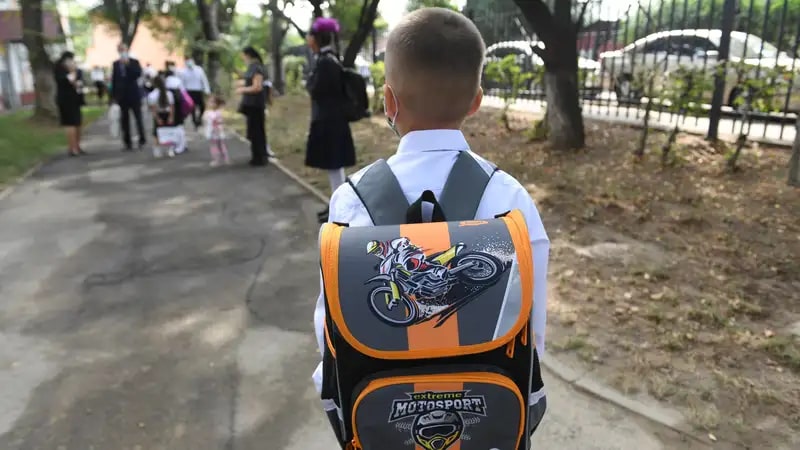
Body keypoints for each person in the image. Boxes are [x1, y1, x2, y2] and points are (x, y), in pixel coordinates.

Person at [312, 7, 549, 445]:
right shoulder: (511, 197)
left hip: (383, 421)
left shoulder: (352, 198)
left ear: (389, 102)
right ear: (476, 102)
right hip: (489, 420)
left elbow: (327, 331)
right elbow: (533, 328)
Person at [304, 17, 355, 223]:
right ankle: (336, 205)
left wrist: (309, 82)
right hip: (330, 120)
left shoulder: (326, 62)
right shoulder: (327, 60)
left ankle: (340, 210)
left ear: (317, 38)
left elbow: (316, 89)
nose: (308, 40)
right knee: (334, 166)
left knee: (334, 165)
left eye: (310, 36)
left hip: (330, 121)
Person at [236, 46, 268, 167]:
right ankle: (256, 156)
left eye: (243, 56)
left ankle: (260, 157)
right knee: (253, 131)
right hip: (251, 104)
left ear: (248, 55)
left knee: (257, 131)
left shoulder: (257, 68)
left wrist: (242, 89)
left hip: (255, 104)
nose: (242, 58)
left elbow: (257, 87)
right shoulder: (251, 67)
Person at [111, 43, 146, 151]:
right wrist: (114, 97)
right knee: (124, 120)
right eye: (120, 50)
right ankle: (127, 142)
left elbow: (137, 74)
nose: (122, 52)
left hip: (134, 94)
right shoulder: (116, 64)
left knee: (138, 118)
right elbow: (114, 80)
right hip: (122, 96)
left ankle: (142, 139)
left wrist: (128, 65)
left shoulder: (134, 62)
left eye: (124, 50)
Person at [54, 51, 85, 157]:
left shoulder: (76, 70)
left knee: (77, 123)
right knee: (70, 124)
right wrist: (72, 72)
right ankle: (73, 148)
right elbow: (67, 81)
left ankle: (76, 147)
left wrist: (73, 72)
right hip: (66, 100)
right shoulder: (60, 70)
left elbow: (79, 83)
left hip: (74, 99)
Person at [147, 75, 176, 158]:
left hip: (159, 114)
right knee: (169, 132)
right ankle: (170, 150)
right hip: (166, 114)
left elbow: (153, 109)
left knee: (157, 133)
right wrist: (171, 117)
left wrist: (157, 118)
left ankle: (157, 150)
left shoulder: (152, 95)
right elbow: (172, 107)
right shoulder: (169, 93)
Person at [179, 56, 211, 130]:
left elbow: (204, 80)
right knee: (192, 107)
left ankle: (199, 118)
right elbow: (182, 83)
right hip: (189, 91)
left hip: (198, 91)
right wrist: (183, 93)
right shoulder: (183, 71)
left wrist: (207, 90)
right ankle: (195, 121)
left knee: (202, 106)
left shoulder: (199, 70)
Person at [164, 65, 188, 154]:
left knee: (175, 126)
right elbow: (184, 92)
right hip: (180, 105)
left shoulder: (166, 82)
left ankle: (178, 146)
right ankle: (183, 144)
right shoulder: (178, 80)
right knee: (180, 125)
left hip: (172, 106)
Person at [204, 95, 230, 166]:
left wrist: (217, 123)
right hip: (211, 132)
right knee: (214, 146)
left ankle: (225, 158)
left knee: (221, 145)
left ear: (217, 104)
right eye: (210, 102)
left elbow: (220, 121)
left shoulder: (218, 112)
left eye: (213, 102)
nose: (211, 104)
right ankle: (216, 159)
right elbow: (206, 121)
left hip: (217, 131)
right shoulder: (208, 112)